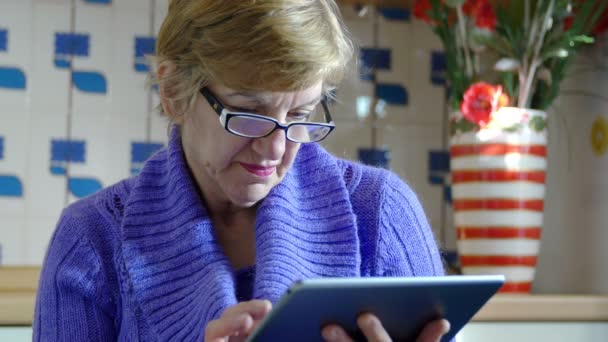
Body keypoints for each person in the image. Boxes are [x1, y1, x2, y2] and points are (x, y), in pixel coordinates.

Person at [33, 0, 450, 341]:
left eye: (300, 113)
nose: (275, 146)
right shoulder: (90, 244)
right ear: (175, 91)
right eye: (249, 112)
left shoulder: (380, 214)